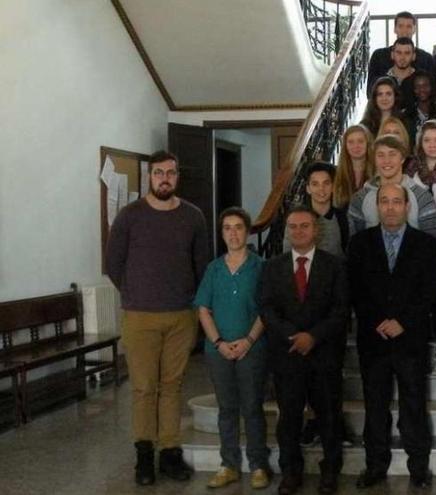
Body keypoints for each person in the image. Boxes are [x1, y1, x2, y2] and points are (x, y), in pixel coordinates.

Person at [105, 150, 210, 486]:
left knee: (172, 386)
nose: (165, 178)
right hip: (140, 316)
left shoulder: (193, 216)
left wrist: (189, 299)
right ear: (149, 177)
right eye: (158, 173)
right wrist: (137, 292)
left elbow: (201, 264)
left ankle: (170, 452)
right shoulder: (129, 216)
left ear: (177, 177)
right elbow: (113, 264)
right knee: (144, 388)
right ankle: (144, 455)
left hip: (181, 315)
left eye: (170, 173)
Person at [348, 183, 436, 490]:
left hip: (410, 339)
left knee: (413, 405)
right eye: (383, 202)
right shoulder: (360, 243)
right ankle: (375, 466)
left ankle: (419, 468)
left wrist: (404, 321)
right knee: (375, 406)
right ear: (377, 207)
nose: (390, 207)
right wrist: (378, 320)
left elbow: (429, 291)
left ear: (407, 206)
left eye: (396, 201)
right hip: (373, 339)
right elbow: (355, 290)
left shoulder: (425, 244)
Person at [260, 205, 350, 495]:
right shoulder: (273, 266)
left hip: (324, 355)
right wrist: (293, 336)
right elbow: (267, 309)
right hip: (287, 356)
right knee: (289, 418)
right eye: (293, 227)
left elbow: (340, 310)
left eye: (305, 226)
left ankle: (330, 470)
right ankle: (290, 471)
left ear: (316, 230)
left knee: (329, 417)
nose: (298, 231)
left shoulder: (334, 265)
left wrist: (312, 336)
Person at [195, 208, 270, 490]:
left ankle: (258, 465)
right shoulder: (213, 269)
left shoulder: (260, 267)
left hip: (252, 348)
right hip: (219, 351)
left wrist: (248, 340)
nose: (233, 233)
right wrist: (219, 343)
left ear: (248, 231)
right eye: (227, 228)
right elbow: (204, 310)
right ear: (222, 232)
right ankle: (229, 464)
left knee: (252, 407)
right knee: (226, 408)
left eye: (238, 227)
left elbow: (266, 310)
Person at [348, 134, 436, 238]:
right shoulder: (359, 199)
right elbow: (355, 244)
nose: (386, 161)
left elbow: (431, 243)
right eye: (380, 155)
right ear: (374, 159)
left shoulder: (422, 197)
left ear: (403, 158)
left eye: (392, 154)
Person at [367, 11, 434, 93]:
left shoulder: (426, 58)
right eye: (400, 26)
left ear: (414, 29)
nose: (404, 30)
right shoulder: (379, 56)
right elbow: (370, 90)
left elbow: (431, 91)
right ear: (395, 29)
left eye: (409, 26)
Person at [306, 162, 349, 258]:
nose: (321, 189)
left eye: (326, 183)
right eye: (315, 184)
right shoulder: (298, 218)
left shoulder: (344, 218)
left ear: (333, 187)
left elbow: (350, 256)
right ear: (308, 188)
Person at [333, 124, 375, 212]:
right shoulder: (337, 174)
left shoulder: (377, 172)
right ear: (345, 146)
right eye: (351, 142)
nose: (356, 146)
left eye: (360, 141)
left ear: (367, 143)